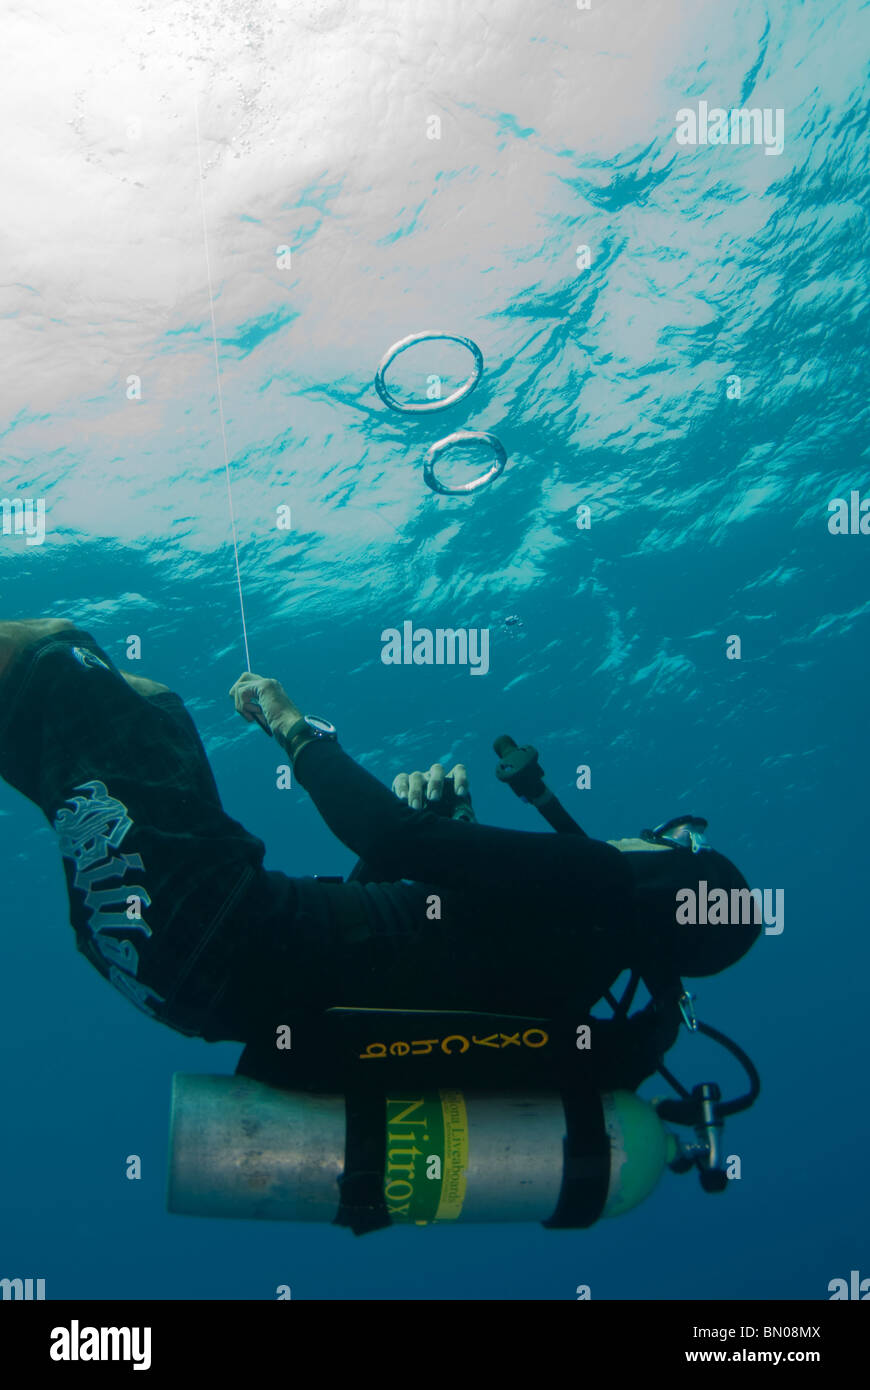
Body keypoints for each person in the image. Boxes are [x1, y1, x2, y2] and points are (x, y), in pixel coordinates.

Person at [0, 619, 761, 1046]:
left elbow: (389, 838)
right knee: (144, 707)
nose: (651, 836)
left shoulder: (601, 880)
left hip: (216, 921)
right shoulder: (573, 984)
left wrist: (296, 729)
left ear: (680, 880)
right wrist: (435, 851)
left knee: (58, 661)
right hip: (173, 980)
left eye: (677, 841)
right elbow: (377, 932)